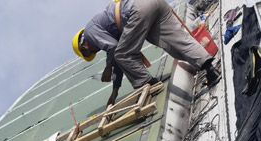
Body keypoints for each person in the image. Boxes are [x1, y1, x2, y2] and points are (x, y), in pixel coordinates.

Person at [72, 0, 221, 106]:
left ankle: (149, 84)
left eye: (90, 52)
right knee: (175, 42)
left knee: (121, 54)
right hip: (154, 4)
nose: (95, 51)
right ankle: (209, 68)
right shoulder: (101, 28)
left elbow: (115, 51)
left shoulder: (91, 32)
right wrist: (115, 92)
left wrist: (107, 67)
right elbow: (121, 60)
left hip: (138, 10)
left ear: (84, 46)